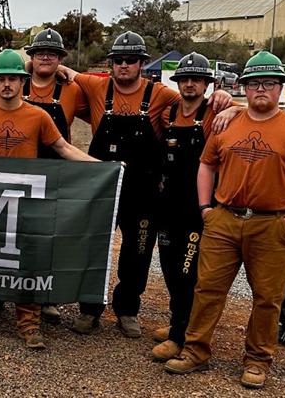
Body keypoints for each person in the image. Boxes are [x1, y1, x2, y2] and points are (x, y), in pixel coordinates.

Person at [165, 51, 285, 389]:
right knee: (207, 288)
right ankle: (196, 350)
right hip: (224, 219)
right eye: (254, 84)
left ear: (280, 88)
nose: (262, 90)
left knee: (267, 297)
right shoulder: (227, 123)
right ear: (245, 88)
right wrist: (206, 207)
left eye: (269, 83)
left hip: (272, 224)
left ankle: (257, 359)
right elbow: (207, 164)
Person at [60, 31, 233, 338]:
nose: (124, 66)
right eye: (118, 61)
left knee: (137, 251)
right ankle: (89, 310)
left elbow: (196, 103)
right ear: (111, 64)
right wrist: (39, 61)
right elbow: (65, 71)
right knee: (94, 247)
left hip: (143, 190)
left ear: (141, 63)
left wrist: (228, 102)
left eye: (131, 61)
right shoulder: (97, 85)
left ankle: (127, 310)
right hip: (103, 187)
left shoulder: (162, 96)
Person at [0, 49, 99, 349]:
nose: (7, 85)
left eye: (13, 79)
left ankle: (29, 323)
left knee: (28, 262)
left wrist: (100, 167)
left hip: (27, 200)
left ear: (23, 81)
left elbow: (63, 148)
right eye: (1, 80)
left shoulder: (39, 115)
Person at [151, 53, 225, 360]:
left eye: (196, 79)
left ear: (207, 84)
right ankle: (176, 323)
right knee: (169, 267)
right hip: (168, 206)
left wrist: (228, 103)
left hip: (197, 208)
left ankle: (181, 336)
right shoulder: (168, 111)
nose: (190, 84)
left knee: (187, 273)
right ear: (177, 82)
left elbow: (246, 111)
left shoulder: (215, 112)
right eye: (185, 79)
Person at [23, 27, 90, 323]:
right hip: (19, 171)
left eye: (52, 53)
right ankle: (2, 292)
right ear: (32, 57)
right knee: (11, 235)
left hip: (55, 173)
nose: (45, 57)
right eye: (39, 53)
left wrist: (100, 165)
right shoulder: (14, 82)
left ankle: (45, 297)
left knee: (48, 238)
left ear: (60, 58)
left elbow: (102, 111)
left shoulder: (73, 91)